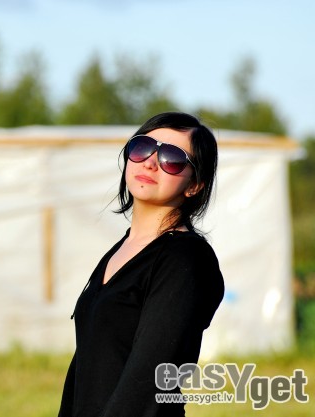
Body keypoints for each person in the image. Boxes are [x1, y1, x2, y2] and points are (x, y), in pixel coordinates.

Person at [58, 112, 225, 417]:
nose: (150, 163)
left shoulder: (186, 259)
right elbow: (85, 368)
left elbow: (148, 380)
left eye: (172, 158)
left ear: (194, 185)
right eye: (142, 147)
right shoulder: (121, 249)